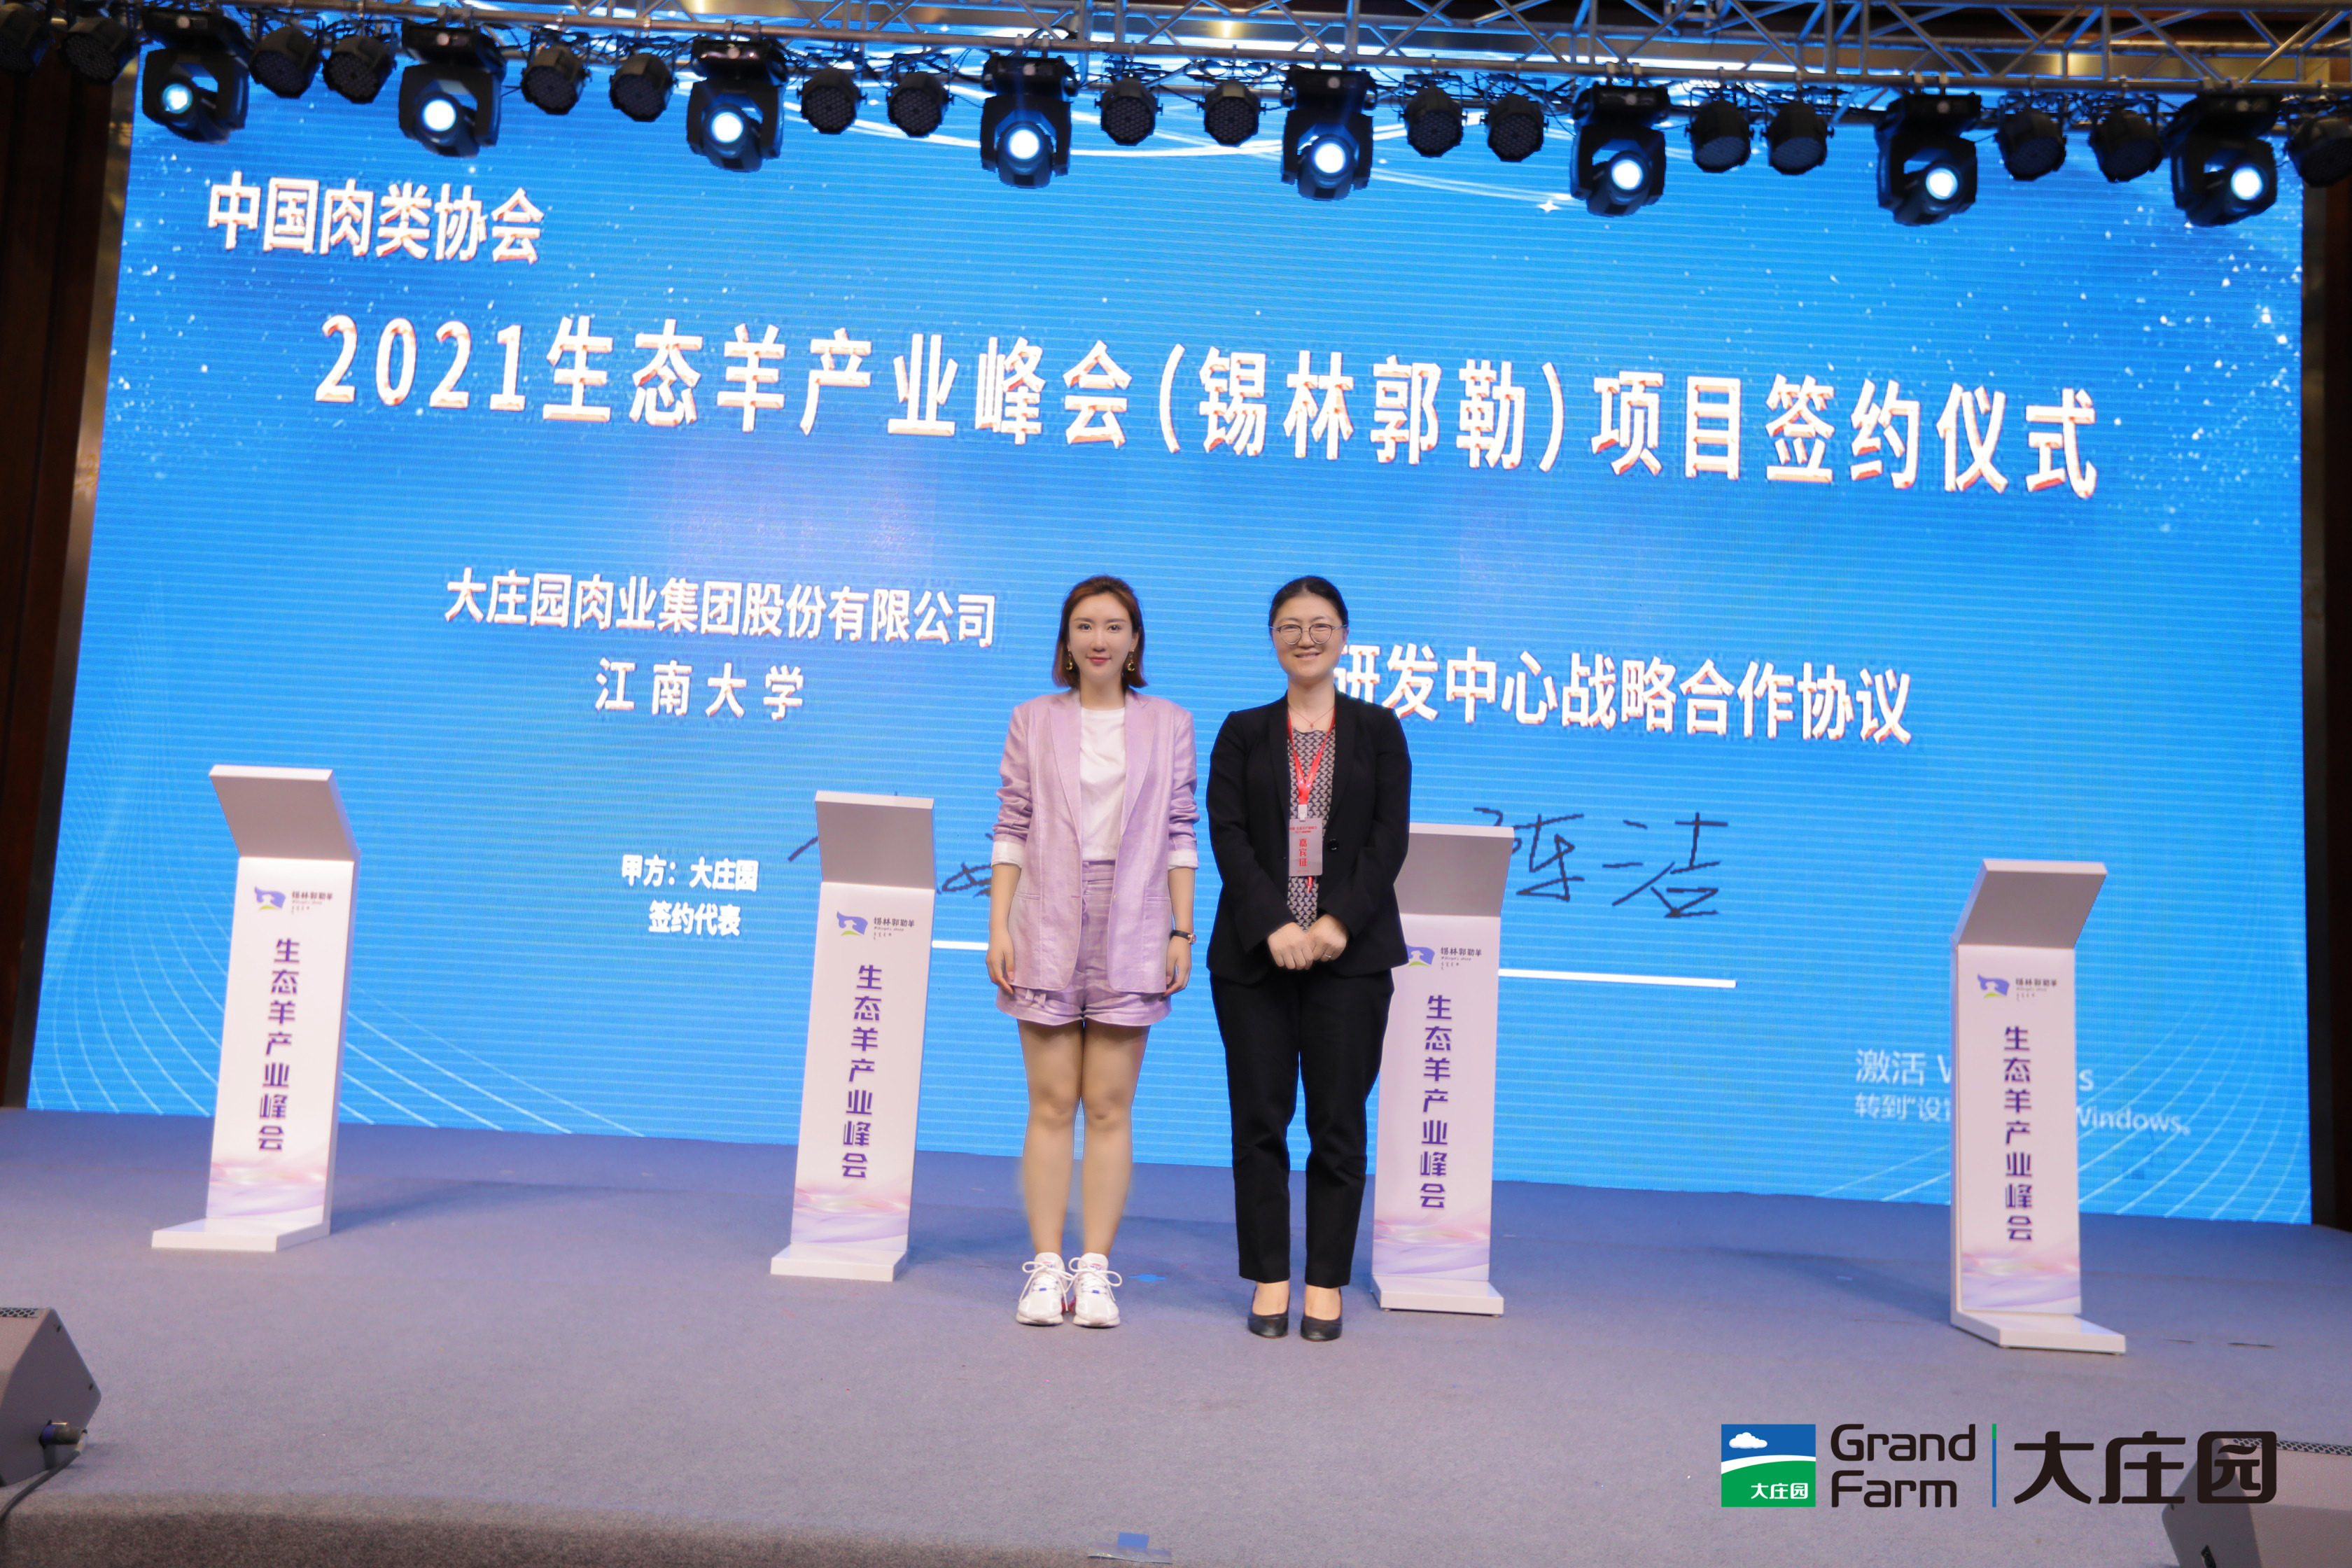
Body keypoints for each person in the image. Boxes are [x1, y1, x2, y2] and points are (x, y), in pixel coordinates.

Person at [987, 575, 1198, 1329]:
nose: (1099, 638)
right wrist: (1000, 924)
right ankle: (1047, 1268)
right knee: (1050, 1103)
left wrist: (1181, 929)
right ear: (1066, 640)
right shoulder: (1033, 718)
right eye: (1085, 625)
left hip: (1134, 917)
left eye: (1114, 625)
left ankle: (1096, 1271)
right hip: (1045, 913)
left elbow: (1180, 828)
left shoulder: (1170, 722)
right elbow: (1012, 822)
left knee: (1109, 1106)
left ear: (1135, 639)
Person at [1205, 576, 1410, 1343]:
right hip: (1255, 960)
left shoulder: (1380, 729)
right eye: (1289, 625)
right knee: (1259, 1122)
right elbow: (1227, 834)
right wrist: (1274, 924)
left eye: (1320, 624)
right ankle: (1270, 1275)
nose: (1306, 638)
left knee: (1338, 1125)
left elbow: (1389, 838)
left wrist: (1337, 922)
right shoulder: (1242, 731)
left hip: (1348, 961)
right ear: (1272, 638)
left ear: (1344, 636)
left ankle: (1324, 1281)